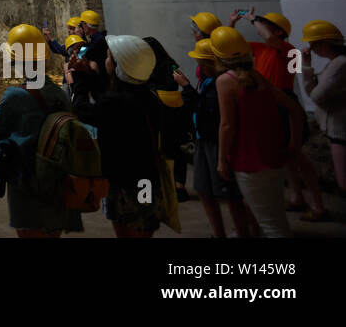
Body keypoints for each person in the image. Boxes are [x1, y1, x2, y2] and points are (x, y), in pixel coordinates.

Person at [228, 8, 326, 221]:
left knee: (296, 154)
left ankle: (318, 205)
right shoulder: (261, 49)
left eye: (266, 24)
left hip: (285, 102)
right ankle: (296, 197)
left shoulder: (290, 51)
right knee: (285, 155)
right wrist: (233, 24)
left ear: (280, 32)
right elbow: (230, 47)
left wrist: (252, 19)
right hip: (269, 102)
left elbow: (271, 39)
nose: (260, 27)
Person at [0, 24, 84, 237]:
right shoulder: (61, 95)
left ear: (16, 61)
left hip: (26, 178)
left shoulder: (14, 97)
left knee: (29, 229)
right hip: (57, 175)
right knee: (52, 230)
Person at [212, 25, 302, 238]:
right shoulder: (257, 76)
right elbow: (295, 109)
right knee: (274, 218)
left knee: (272, 225)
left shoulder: (225, 81)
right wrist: (294, 146)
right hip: (273, 156)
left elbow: (227, 125)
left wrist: (222, 159)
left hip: (249, 161)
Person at [70, 33, 163, 237]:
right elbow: (108, 98)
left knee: (127, 229)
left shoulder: (118, 103)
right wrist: (89, 76)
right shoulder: (147, 96)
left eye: (109, 58)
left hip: (123, 181)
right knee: (143, 224)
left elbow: (83, 109)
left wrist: (78, 81)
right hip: (146, 179)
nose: (106, 61)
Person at [175, 38, 255, 238]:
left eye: (201, 62)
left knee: (230, 194)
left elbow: (214, 117)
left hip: (216, 142)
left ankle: (246, 232)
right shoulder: (208, 80)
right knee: (204, 189)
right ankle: (220, 234)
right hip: (203, 140)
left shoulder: (222, 82)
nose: (198, 66)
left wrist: (186, 88)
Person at [299, 20, 346, 194]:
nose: (311, 48)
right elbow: (313, 90)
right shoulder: (334, 63)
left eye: (313, 44)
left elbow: (316, 96)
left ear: (325, 43)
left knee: (343, 182)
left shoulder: (340, 64)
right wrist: (306, 66)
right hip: (337, 130)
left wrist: (306, 68)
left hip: (341, 130)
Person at [144, 36, 192, 203]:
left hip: (158, 109)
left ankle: (157, 189)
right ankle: (179, 186)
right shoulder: (170, 63)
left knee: (159, 150)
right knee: (175, 149)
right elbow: (179, 79)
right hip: (174, 108)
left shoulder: (147, 66)